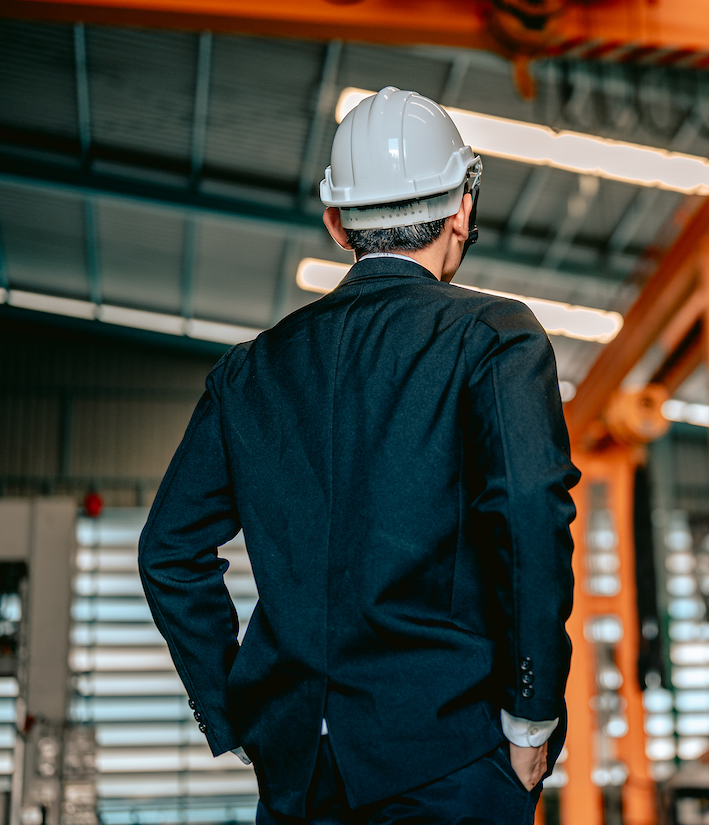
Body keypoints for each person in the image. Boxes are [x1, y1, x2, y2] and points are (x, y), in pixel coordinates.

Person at [138, 87, 579, 824]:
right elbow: (530, 516)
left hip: (299, 778)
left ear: (337, 223)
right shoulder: (494, 336)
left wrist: (237, 710)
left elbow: (168, 552)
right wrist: (531, 716)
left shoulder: (250, 370)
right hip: (449, 759)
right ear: (461, 209)